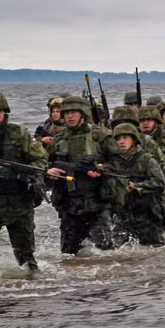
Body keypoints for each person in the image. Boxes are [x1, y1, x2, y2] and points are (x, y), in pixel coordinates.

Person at [0, 91, 48, 275]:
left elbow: (40, 162)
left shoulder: (19, 133)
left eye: (0, 112)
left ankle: (34, 289)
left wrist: (19, 174)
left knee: (25, 257)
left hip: (19, 202)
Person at [45, 95, 118, 254]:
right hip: (70, 205)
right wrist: (49, 173)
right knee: (69, 255)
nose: (69, 116)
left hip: (98, 202)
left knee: (104, 252)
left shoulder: (100, 136)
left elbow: (119, 163)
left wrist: (101, 168)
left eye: (74, 112)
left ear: (83, 114)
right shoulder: (58, 140)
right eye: (67, 113)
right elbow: (43, 165)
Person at [107, 123, 165, 247]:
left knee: (155, 250)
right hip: (123, 214)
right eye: (118, 139)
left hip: (147, 213)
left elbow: (161, 182)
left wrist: (138, 186)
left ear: (134, 139)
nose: (121, 141)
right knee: (118, 251)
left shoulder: (146, 160)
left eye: (125, 138)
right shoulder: (113, 162)